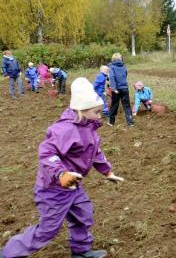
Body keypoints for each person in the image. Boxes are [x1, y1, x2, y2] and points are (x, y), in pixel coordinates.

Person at [0, 77, 124, 258]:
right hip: (53, 189)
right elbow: (46, 152)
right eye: (97, 112)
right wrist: (61, 173)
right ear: (82, 110)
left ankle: (81, 251)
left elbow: (94, 152)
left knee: (83, 214)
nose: (100, 115)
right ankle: (9, 254)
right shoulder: (65, 129)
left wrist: (108, 171)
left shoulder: (88, 128)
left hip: (74, 185)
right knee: (48, 229)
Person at [108, 53, 133, 127]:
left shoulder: (112, 67)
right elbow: (125, 75)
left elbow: (112, 77)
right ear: (120, 59)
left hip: (116, 89)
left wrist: (113, 88)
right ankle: (130, 122)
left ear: (113, 59)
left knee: (114, 105)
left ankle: (111, 122)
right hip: (125, 88)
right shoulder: (124, 66)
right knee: (127, 106)